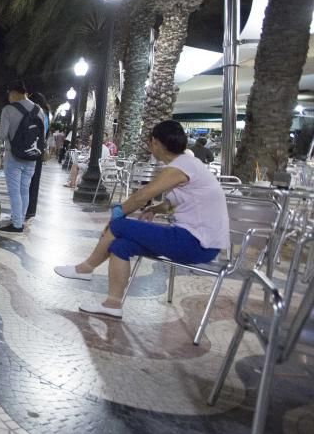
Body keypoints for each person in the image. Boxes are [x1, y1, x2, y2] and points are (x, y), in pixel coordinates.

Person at [54, 120, 229, 319]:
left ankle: (85, 269)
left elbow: (142, 195)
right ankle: (112, 304)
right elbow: (172, 203)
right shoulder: (189, 165)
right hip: (196, 241)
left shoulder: (181, 166)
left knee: (119, 227)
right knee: (121, 246)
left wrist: (118, 214)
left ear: (155, 142)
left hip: (195, 242)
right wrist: (155, 209)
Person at [0, 80, 45, 233]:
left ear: (13, 93)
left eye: (9, 95)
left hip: (14, 156)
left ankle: (16, 224)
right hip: (32, 156)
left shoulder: (8, 109)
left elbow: (3, 134)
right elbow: (42, 135)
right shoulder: (39, 110)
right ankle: (20, 219)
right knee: (25, 190)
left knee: (14, 191)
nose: (9, 98)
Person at [26, 92, 51, 221]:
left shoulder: (39, 114)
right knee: (34, 181)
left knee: (30, 181)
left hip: (34, 149)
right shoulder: (46, 114)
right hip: (39, 149)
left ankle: (28, 209)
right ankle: (30, 210)